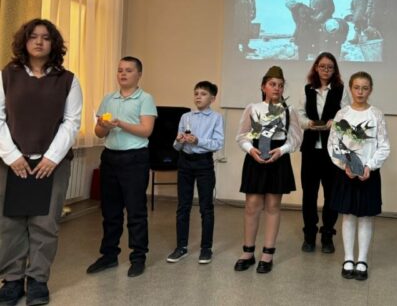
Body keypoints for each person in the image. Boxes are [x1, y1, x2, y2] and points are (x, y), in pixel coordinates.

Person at [0, 19, 82, 306]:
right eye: (33, 36)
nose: (38, 42)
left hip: (52, 164)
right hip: (11, 162)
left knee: (45, 223)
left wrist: (51, 157)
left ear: (53, 44)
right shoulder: (6, 76)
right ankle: (12, 280)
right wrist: (12, 156)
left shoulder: (68, 80)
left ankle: (37, 280)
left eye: (45, 38)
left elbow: (71, 122)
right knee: (10, 222)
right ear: (24, 42)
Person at [86, 57, 157, 278]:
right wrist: (104, 125)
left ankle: (138, 257)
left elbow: (146, 130)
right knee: (110, 211)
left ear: (139, 74)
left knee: (136, 211)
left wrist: (120, 124)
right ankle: (109, 255)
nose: (123, 74)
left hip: (135, 159)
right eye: (120, 70)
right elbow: (99, 133)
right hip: (110, 158)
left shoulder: (145, 98)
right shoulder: (108, 98)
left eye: (128, 70)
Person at [234, 66, 302, 273]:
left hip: (277, 158)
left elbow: (295, 139)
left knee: (273, 205)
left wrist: (281, 150)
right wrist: (250, 150)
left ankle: (267, 254)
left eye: (280, 85)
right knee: (252, 205)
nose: (277, 88)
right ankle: (248, 252)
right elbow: (242, 136)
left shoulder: (288, 111)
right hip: (255, 156)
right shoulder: (253, 108)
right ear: (263, 86)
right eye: (272, 84)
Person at [328, 71, 390, 281]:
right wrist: (345, 164)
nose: (360, 92)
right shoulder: (342, 114)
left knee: (365, 216)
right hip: (346, 173)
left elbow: (384, 146)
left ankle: (362, 259)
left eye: (365, 88)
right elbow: (333, 144)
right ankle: (348, 258)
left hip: (368, 173)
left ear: (370, 90)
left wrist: (369, 166)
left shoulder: (376, 114)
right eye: (356, 88)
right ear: (350, 89)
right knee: (348, 215)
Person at [166, 81, 224, 265]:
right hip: (184, 162)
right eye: (196, 93)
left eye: (203, 94)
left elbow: (218, 144)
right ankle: (181, 247)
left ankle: (206, 248)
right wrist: (179, 140)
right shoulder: (185, 117)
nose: (198, 97)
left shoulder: (216, 118)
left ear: (212, 98)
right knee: (183, 206)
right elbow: (176, 147)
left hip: (204, 163)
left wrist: (198, 140)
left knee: (206, 207)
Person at [297, 53, 350, 253]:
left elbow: (346, 115)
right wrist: (308, 123)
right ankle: (309, 235)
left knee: (331, 194)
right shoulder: (307, 89)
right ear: (316, 68)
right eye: (322, 66)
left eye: (330, 67)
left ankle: (327, 234)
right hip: (310, 150)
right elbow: (299, 114)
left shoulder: (340, 90)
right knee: (309, 194)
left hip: (332, 151)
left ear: (334, 70)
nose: (326, 70)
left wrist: (334, 123)